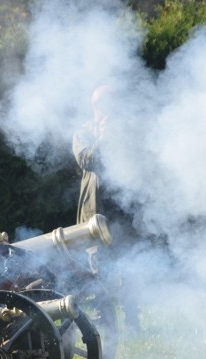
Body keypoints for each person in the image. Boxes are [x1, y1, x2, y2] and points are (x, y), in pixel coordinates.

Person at [73, 85, 140, 329]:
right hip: (95, 211)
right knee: (98, 270)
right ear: (94, 107)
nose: (107, 108)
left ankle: (133, 321)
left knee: (130, 267)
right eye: (101, 103)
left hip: (124, 209)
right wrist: (103, 138)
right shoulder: (84, 132)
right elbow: (87, 160)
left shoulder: (129, 130)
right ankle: (105, 322)